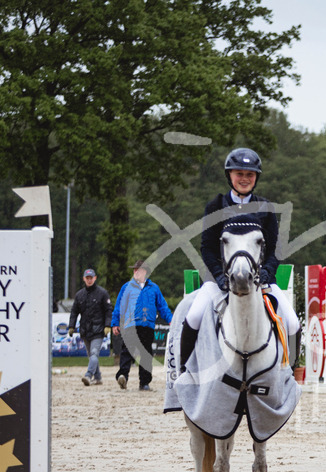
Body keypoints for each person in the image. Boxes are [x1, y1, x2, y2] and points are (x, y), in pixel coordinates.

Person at [180, 147, 298, 372]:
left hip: (259, 279)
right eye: (239, 174)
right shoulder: (215, 206)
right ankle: (184, 373)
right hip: (219, 279)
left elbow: (275, 250)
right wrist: (218, 276)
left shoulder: (265, 208)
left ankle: (288, 374)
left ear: (256, 178)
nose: (244, 179)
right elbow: (207, 248)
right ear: (230, 176)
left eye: (249, 175)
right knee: (194, 315)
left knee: (292, 321)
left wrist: (266, 273)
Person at [111, 260, 172, 391]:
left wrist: (171, 320)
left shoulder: (154, 288)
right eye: (134, 270)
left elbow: (162, 306)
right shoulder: (126, 287)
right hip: (130, 325)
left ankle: (144, 382)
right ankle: (123, 376)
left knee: (146, 354)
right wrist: (115, 323)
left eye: (137, 270)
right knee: (127, 351)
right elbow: (119, 307)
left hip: (147, 325)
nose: (135, 272)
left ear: (145, 272)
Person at [68, 268, 111, 386]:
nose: (89, 280)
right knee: (91, 355)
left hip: (98, 330)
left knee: (94, 353)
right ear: (84, 279)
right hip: (85, 330)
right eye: (87, 278)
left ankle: (88, 375)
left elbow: (108, 310)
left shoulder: (102, 293)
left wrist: (107, 325)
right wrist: (71, 326)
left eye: (91, 278)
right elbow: (74, 312)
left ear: (95, 278)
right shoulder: (79, 295)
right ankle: (98, 378)